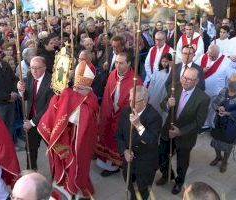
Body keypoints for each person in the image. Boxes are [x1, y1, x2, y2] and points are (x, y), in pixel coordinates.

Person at [37, 61, 99, 199]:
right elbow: (60, 111)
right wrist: (58, 100)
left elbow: (74, 118)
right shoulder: (75, 95)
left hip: (80, 143)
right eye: (75, 87)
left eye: (80, 88)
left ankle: (74, 188)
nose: (76, 91)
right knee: (64, 162)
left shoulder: (90, 101)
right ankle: (64, 181)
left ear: (88, 88)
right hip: (68, 137)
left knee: (77, 167)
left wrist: (65, 102)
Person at [157, 67, 210, 195]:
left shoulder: (203, 98)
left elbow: (199, 122)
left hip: (185, 137)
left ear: (196, 81)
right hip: (167, 131)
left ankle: (179, 182)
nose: (185, 81)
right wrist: (167, 104)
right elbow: (162, 104)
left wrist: (180, 132)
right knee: (162, 156)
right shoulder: (175, 86)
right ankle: (167, 175)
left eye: (189, 79)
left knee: (182, 162)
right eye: (184, 77)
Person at [96, 52, 142, 177]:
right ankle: (106, 160)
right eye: (116, 62)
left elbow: (136, 103)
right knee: (106, 136)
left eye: (121, 63)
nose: (117, 65)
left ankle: (115, 165)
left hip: (122, 115)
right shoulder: (112, 74)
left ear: (129, 64)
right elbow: (107, 95)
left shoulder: (135, 80)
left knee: (118, 140)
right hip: (110, 113)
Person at [115, 85, 162, 200]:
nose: (131, 104)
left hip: (145, 164)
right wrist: (124, 151)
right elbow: (118, 135)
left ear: (145, 101)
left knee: (142, 192)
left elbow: (151, 141)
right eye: (130, 100)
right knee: (130, 186)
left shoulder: (155, 117)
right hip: (128, 162)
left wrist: (138, 125)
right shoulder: (126, 111)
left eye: (135, 101)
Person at [17, 56, 54, 170]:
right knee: (31, 149)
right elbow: (28, 96)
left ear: (45, 67)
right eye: (32, 67)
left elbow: (49, 107)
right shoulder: (29, 75)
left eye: (37, 68)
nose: (34, 71)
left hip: (46, 121)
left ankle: (57, 175)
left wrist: (32, 122)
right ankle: (31, 172)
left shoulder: (52, 81)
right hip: (31, 117)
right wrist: (21, 90)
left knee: (52, 150)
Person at [209, 74, 236, 172]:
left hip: (232, 125)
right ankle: (218, 157)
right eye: (230, 81)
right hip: (219, 122)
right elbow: (214, 103)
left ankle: (224, 161)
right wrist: (218, 108)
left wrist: (229, 113)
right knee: (216, 142)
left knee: (227, 145)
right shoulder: (224, 91)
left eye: (234, 82)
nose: (230, 83)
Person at [195, 44, 233, 131]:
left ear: (218, 53)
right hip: (200, 90)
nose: (211, 57)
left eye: (213, 56)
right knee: (200, 107)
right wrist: (201, 70)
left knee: (211, 109)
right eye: (210, 55)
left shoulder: (226, 61)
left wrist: (226, 92)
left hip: (215, 92)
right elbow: (194, 68)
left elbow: (229, 78)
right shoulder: (203, 57)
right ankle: (198, 122)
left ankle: (207, 125)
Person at [148, 53, 172, 124]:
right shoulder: (157, 70)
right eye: (163, 61)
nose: (164, 63)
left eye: (166, 61)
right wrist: (149, 94)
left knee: (161, 111)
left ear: (170, 62)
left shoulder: (171, 72)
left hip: (164, 94)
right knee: (153, 108)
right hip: (155, 93)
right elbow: (152, 83)